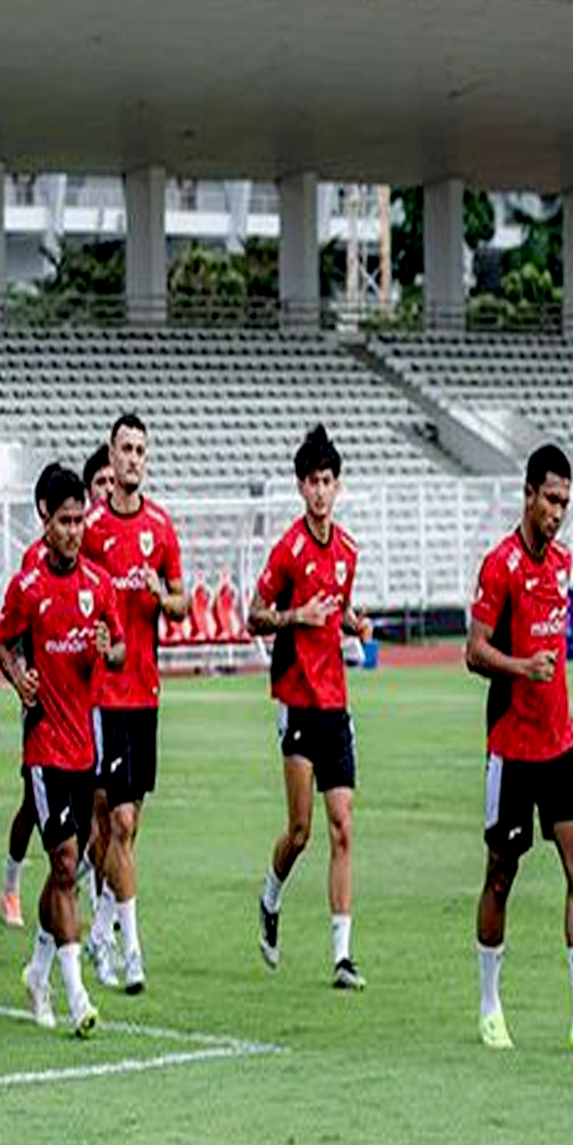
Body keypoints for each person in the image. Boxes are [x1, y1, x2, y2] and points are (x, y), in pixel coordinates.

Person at [467, 445, 573, 1053]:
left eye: (566, 501)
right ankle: (489, 1006)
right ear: (528, 494)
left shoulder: (561, 563)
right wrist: (520, 667)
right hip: (511, 748)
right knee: (501, 876)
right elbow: (474, 650)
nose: (558, 512)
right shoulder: (500, 565)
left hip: (560, 742)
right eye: (551, 499)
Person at [0, 465, 122, 1038]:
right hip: (45, 745)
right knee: (67, 864)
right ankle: (76, 996)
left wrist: (108, 649)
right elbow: (2, 639)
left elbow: (117, 652)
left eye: (80, 520)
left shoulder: (100, 584)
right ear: (46, 519)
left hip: (85, 746)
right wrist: (19, 674)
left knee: (70, 867)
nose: (74, 530)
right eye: (65, 520)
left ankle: (38, 969)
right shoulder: (28, 587)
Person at [250, 423, 371, 991]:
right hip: (296, 701)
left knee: (342, 827)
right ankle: (270, 898)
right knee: (299, 831)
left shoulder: (348, 551)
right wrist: (295, 616)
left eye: (328, 481)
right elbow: (255, 614)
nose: (320, 491)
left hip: (335, 704)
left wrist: (353, 621)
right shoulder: (288, 549)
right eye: (312, 482)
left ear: (337, 486)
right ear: (301, 488)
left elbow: (337, 607)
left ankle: (342, 956)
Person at [81, 415, 187, 995]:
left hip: (146, 692)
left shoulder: (161, 527)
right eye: (125, 449)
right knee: (117, 821)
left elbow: (182, 602)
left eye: (141, 450)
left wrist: (160, 593)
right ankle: (133, 950)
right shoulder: (92, 528)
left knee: (127, 828)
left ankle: (99, 928)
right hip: (103, 693)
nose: (133, 458)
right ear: (111, 456)